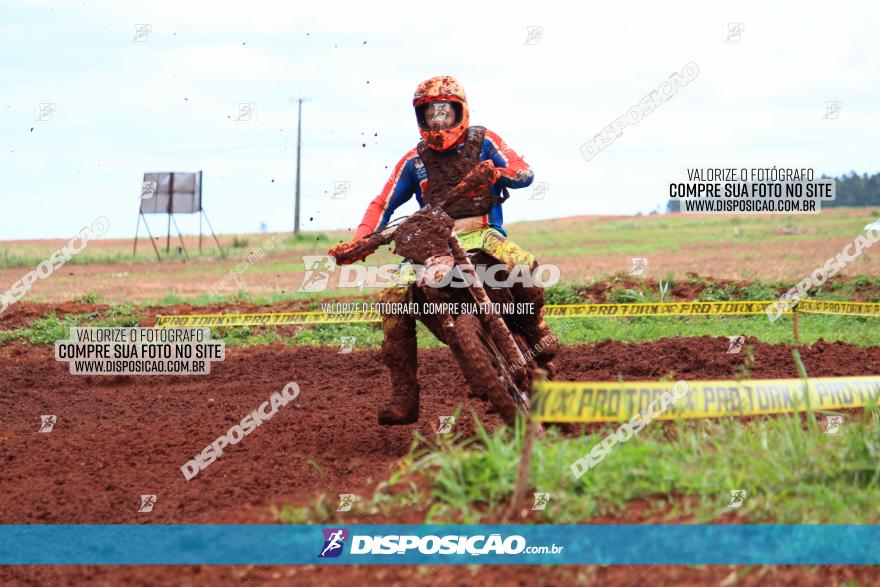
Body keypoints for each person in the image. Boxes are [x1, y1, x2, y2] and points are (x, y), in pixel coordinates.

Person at [329, 75, 557, 425]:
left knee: (523, 264)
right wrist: (361, 240)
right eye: (430, 114)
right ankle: (404, 393)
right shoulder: (414, 160)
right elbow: (383, 203)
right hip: (431, 241)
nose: (438, 122)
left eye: (445, 113)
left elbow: (523, 172)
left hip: (482, 231)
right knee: (392, 298)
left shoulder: (484, 140)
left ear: (459, 111)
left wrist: (497, 173)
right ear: (420, 117)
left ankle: (535, 326)